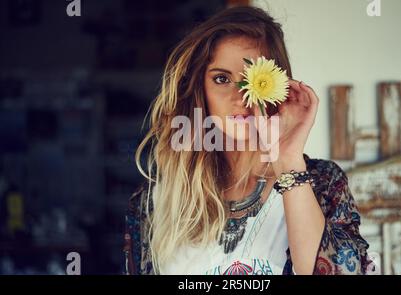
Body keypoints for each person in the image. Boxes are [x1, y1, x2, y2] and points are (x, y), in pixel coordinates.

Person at [123, 6, 371, 275]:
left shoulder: (323, 185)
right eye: (221, 79)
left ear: (278, 84)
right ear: (201, 90)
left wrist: (287, 160)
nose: (239, 97)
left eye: (254, 79)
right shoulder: (153, 202)